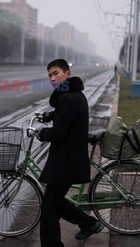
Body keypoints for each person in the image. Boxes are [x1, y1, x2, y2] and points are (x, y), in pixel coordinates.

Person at [36, 59, 104, 247]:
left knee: (49, 206)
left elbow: (59, 133)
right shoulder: (74, 95)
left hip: (66, 161)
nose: (52, 78)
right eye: (50, 75)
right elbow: (64, 115)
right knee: (55, 202)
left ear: (67, 74)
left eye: (56, 73)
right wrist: (48, 116)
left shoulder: (67, 98)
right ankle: (89, 223)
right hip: (69, 158)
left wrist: (41, 133)